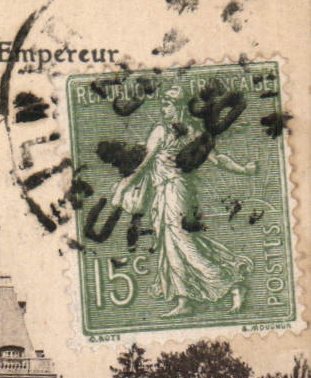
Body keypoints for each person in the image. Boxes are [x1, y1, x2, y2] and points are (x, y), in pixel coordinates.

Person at [110, 85, 258, 318]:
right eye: (163, 105)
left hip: (174, 192)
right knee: (172, 245)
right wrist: (245, 169)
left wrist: (122, 187)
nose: (163, 108)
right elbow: (217, 159)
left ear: (179, 108)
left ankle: (232, 284)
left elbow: (143, 165)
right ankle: (184, 300)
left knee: (182, 243)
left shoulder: (166, 132)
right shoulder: (188, 132)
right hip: (167, 194)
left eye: (168, 104)